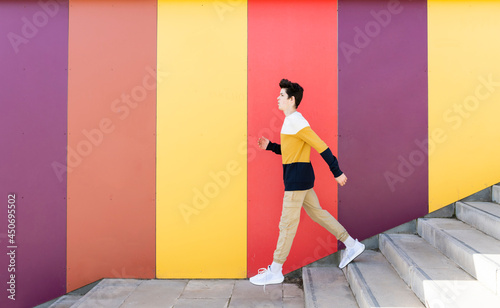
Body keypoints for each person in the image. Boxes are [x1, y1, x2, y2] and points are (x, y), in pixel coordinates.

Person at [249, 79, 365, 286]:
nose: (278, 98)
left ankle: (275, 270)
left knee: (286, 225)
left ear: (291, 100)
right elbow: (290, 150)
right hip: (301, 178)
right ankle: (351, 244)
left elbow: (321, 146)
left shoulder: (296, 121)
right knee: (317, 213)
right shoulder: (291, 121)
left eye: (282, 96)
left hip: (296, 181)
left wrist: (336, 172)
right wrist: (271, 146)